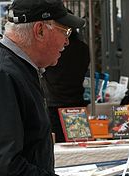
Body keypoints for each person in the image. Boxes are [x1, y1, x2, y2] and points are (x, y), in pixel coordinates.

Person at [0, 0, 115, 176]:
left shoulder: (20, 69)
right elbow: (8, 166)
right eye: (65, 31)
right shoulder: (6, 75)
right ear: (40, 30)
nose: (67, 40)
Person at [41, 13, 90, 143]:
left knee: (57, 148)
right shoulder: (82, 48)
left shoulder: (52, 49)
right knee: (79, 145)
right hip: (76, 104)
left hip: (54, 104)